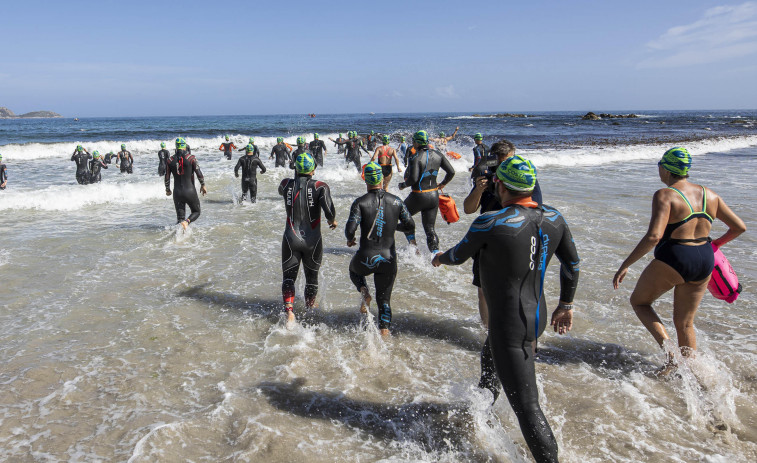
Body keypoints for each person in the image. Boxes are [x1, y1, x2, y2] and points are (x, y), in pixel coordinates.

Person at [432, 155, 579, 463]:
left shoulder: (492, 220)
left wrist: (439, 258)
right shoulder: (555, 218)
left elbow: (458, 255)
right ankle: (482, 417)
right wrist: (566, 304)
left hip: (510, 323)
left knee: (528, 406)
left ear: (500, 184)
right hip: (535, 316)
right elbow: (572, 264)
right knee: (490, 362)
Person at [613, 147, 746, 374]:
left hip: (675, 257)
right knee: (685, 323)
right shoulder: (710, 195)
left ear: (666, 169)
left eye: (660, 165)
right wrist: (716, 245)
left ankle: (672, 357)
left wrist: (626, 264)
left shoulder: (665, 195)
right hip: (705, 259)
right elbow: (739, 227)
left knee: (640, 302)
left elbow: (654, 236)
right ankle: (692, 373)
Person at [464, 140, 543, 400]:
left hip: (519, 243)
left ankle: (527, 345)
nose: (501, 162)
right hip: (487, 244)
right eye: (497, 157)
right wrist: (479, 189)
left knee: (523, 292)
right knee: (484, 293)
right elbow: (468, 208)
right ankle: (491, 336)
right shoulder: (485, 176)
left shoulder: (524, 177)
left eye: (505, 157)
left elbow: (537, 212)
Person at [346, 162, 416, 336]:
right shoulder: (397, 201)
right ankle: (384, 333)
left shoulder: (359, 203)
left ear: (365, 179)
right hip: (388, 259)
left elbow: (350, 229)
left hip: (365, 258)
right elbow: (410, 226)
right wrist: (392, 227)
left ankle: (364, 291)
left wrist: (350, 239)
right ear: (383, 178)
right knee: (384, 300)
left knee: (354, 271)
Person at [278, 153, 337, 324]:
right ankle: (310, 309)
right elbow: (329, 212)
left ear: (296, 168)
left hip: (290, 238)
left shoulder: (285, 184)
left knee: (289, 278)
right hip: (313, 241)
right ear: (313, 170)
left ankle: (289, 312)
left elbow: (282, 191)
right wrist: (332, 221)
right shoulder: (321, 187)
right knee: (311, 278)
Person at [398, 130, 455, 253]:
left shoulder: (415, 157)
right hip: (433, 196)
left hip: (418, 196)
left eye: (413, 141)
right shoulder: (438, 155)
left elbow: (413, 179)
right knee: (430, 229)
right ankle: (436, 255)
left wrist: (402, 185)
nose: (412, 144)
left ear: (417, 143)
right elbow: (451, 172)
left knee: (402, 217)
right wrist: (443, 184)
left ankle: (414, 247)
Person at [165, 137, 207, 230]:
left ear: (176, 147)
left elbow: (167, 177)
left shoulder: (170, 160)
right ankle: (187, 222)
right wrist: (203, 185)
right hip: (189, 191)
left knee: (180, 218)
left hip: (177, 193)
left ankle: (179, 239)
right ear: (185, 146)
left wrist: (167, 189)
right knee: (196, 212)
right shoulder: (191, 158)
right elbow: (199, 173)